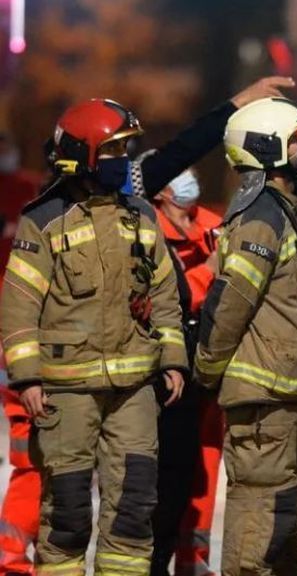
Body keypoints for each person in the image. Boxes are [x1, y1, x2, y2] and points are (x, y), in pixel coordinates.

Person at [0, 98, 189, 575]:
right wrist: (27, 378)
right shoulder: (42, 222)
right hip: (65, 393)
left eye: (127, 150)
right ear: (82, 156)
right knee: (66, 514)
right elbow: (19, 304)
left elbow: (164, 291)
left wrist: (171, 358)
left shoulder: (141, 217)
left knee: (133, 509)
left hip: (133, 392)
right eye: (115, 150)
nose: (123, 161)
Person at [192, 97, 297, 575]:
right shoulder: (261, 218)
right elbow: (229, 305)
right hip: (265, 406)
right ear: (269, 149)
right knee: (261, 532)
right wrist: (207, 373)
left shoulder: (296, 214)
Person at [147, 164, 223, 576]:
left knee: (207, 466)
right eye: (179, 174)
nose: (189, 180)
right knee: (171, 474)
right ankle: (157, 560)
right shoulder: (147, 229)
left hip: (210, 365)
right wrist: (209, 269)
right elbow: (169, 297)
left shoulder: (214, 225)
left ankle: (193, 561)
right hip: (170, 368)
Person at [0, 132, 43, 576]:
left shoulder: (28, 193)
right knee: (30, 457)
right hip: (18, 333)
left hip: (17, 331)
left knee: (33, 458)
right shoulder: (34, 199)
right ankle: (10, 557)